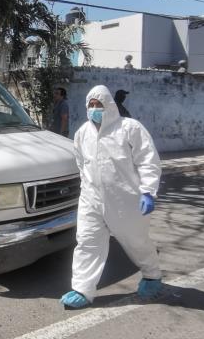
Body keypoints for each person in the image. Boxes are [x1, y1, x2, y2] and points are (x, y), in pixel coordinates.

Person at [60, 85, 164, 309]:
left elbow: (148, 160)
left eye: (99, 105)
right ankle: (82, 289)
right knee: (87, 242)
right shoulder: (82, 133)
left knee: (136, 241)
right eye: (91, 105)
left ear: (109, 106)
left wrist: (147, 191)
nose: (94, 109)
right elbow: (81, 164)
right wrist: (86, 187)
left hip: (125, 200)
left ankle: (152, 275)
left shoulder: (129, 128)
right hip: (91, 199)